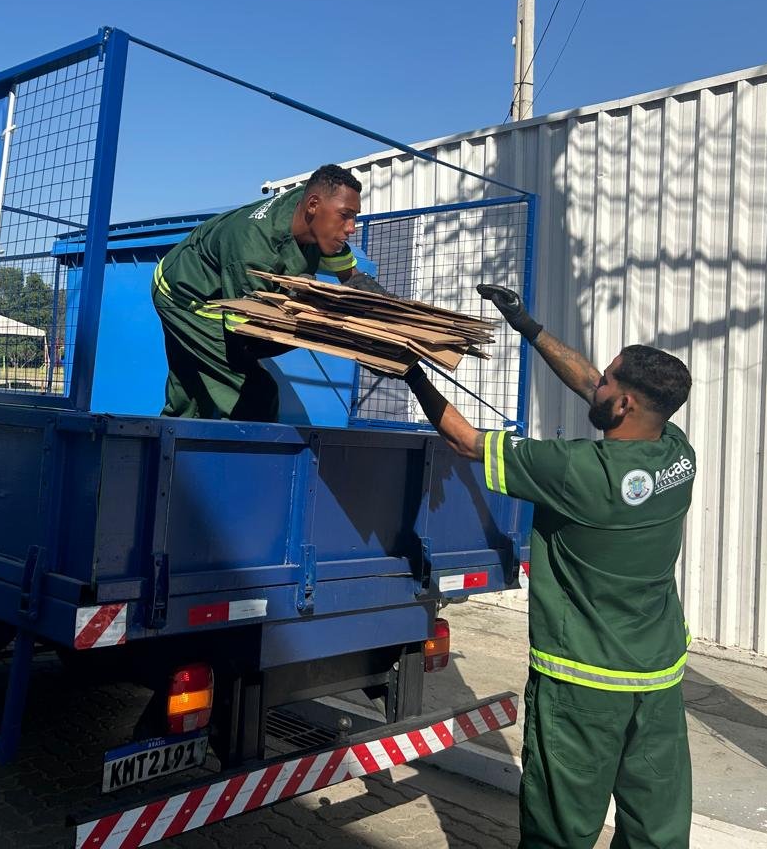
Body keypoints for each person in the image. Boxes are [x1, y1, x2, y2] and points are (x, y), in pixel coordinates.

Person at [404, 283, 696, 849]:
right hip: (657, 677)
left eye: (608, 380)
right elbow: (589, 384)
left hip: (582, 682)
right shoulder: (676, 454)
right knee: (655, 828)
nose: (596, 381)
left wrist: (412, 370)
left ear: (625, 404)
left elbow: (464, 441)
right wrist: (529, 327)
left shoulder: (577, 470)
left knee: (560, 828)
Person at [151, 164, 387, 421]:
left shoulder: (313, 216)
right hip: (186, 296)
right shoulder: (254, 250)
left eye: (355, 216)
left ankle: (170, 439)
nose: (352, 227)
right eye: (345, 215)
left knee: (188, 393)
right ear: (312, 205)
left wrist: (371, 302)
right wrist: (340, 334)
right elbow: (245, 335)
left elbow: (347, 272)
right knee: (256, 395)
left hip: (212, 285)